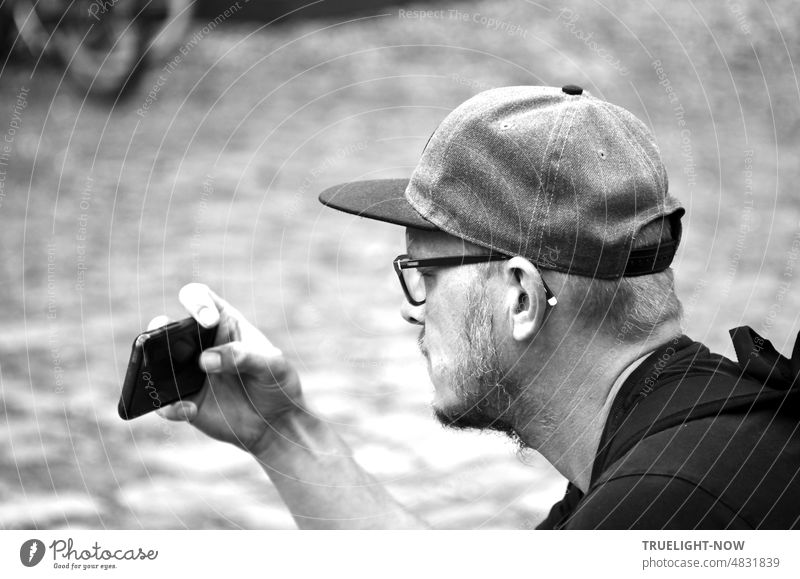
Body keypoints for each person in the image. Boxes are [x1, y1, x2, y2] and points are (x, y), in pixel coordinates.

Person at [153, 85, 800, 529]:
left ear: (521, 296)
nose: (414, 311)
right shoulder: (697, 432)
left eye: (423, 272)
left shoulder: (655, 512)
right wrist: (282, 433)